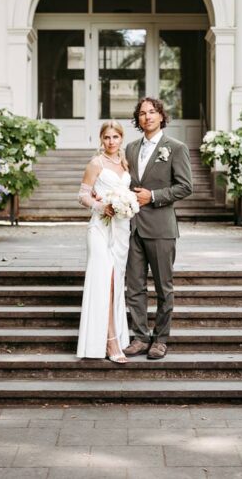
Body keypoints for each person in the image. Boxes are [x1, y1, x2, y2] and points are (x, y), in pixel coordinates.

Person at [123, 97, 193, 360]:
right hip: (132, 228)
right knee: (135, 287)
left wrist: (152, 196)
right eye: (142, 113)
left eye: (152, 112)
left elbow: (185, 186)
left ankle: (160, 339)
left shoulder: (175, 147)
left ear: (162, 117)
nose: (147, 117)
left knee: (164, 287)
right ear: (137, 119)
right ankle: (140, 336)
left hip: (162, 228)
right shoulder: (129, 148)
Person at [75, 120, 133, 363]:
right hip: (100, 228)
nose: (111, 141)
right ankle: (111, 342)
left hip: (121, 230)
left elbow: (129, 193)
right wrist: (101, 206)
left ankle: (116, 335)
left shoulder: (125, 163)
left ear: (121, 138)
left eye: (115, 137)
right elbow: (82, 195)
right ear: (101, 139)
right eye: (107, 137)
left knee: (116, 284)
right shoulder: (95, 163)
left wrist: (127, 204)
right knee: (105, 283)